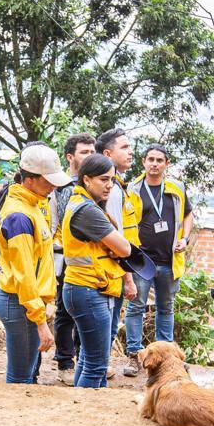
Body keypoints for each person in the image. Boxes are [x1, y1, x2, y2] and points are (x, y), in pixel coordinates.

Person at [0, 144, 69, 383]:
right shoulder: (19, 217)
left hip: (24, 301)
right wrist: (40, 321)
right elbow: (24, 275)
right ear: (30, 180)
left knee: (25, 371)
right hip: (19, 302)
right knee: (21, 376)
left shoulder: (33, 205)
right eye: (49, 181)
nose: (53, 187)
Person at [60, 153, 133, 388]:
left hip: (83, 287)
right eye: (103, 179)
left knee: (87, 358)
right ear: (86, 179)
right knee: (96, 364)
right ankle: (85, 414)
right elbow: (124, 248)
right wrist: (119, 249)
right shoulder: (87, 210)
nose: (109, 185)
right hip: (88, 289)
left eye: (112, 179)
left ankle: (80, 412)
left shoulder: (82, 204)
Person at [123, 144, 193, 376]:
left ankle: (167, 358)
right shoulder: (133, 189)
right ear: (143, 162)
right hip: (142, 261)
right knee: (136, 307)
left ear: (167, 164)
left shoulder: (176, 188)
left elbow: (187, 214)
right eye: (150, 159)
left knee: (166, 308)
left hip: (169, 260)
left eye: (159, 160)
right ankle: (135, 355)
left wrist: (185, 238)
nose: (154, 164)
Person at [52, 133, 97, 385]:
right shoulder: (64, 188)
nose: (90, 156)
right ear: (70, 157)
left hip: (88, 259)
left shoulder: (91, 186)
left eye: (93, 152)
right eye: (84, 153)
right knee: (65, 311)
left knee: (85, 309)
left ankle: (83, 360)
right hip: (65, 257)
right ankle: (65, 363)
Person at [95, 128, 141, 375]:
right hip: (113, 272)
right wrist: (129, 278)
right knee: (108, 327)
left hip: (116, 269)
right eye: (124, 147)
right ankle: (97, 371)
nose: (130, 151)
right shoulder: (110, 190)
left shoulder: (119, 186)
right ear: (107, 153)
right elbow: (116, 239)